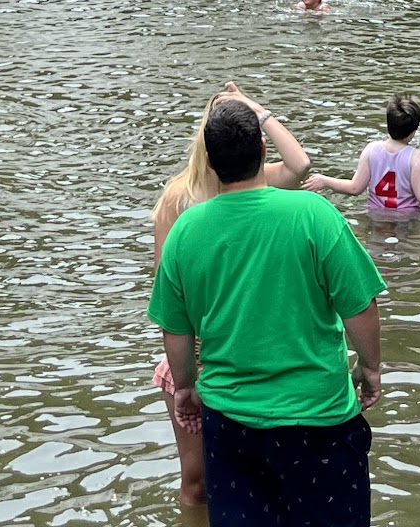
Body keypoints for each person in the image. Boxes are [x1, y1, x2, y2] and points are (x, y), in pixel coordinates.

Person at [149, 98, 384, 527]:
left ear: (212, 162)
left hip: (230, 423)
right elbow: (360, 305)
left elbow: (175, 329)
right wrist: (370, 369)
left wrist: (184, 387)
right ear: (262, 151)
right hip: (318, 417)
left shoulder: (186, 229)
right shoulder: (313, 214)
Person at [151, 86, 309, 510]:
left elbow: (300, 164)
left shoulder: (256, 183)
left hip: (251, 351)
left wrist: (260, 111)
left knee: (252, 481)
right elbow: (168, 291)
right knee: (197, 481)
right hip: (200, 351)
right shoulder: (178, 198)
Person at [307, 95, 420, 219]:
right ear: (413, 131)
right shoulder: (414, 156)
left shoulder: (371, 149)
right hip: (407, 219)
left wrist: (325, 180)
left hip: (376, 217)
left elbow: (354, 188)